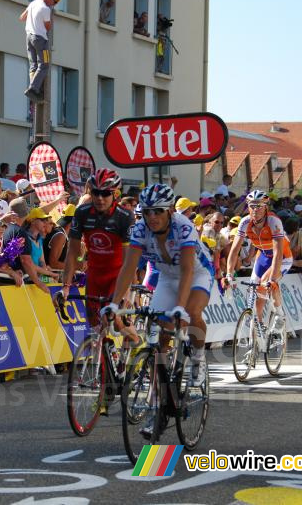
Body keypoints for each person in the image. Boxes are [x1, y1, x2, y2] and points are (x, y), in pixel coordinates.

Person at [102, 183, 215, 411]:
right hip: (166, 276)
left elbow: (187, 270)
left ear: (170, 210)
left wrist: (180, 307)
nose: (152, 217)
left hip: (196, 274)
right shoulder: (141, 229)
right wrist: (114, 303)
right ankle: (158, 393)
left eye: (158, 211)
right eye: (147, 212)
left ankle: (199, 357)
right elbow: (128, 267)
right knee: (161, 337)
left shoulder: (183, 227)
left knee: (191, 312)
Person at [60, 169, 138, 344]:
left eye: (105, 193)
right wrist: (65, 286)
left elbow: (128, 260)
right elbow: (72, 252)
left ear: (115, 194)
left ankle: (135, 340)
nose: (100, 198)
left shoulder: (125, 216)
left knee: (114, 320)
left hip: (117, 275)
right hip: (95, 275)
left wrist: (125, 293)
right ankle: (101, 370)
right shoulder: (82, 212)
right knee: (95, 327)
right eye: (96, 192)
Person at [224, 190, 293, 336]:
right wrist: (229, 274)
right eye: (252, 205)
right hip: (262, 257)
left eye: (259, 206)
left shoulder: (274, 222)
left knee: (266, 282)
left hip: (282, 257)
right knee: (254, 288)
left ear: (266, 207)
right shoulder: (244, 222)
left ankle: (280, 315)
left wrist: (272, 279)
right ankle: (258, 328)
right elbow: (234, 250)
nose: (255, 209)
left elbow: (278, 253)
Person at [19, 0, 61, 102]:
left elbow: (22, 17)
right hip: (40, 39)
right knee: (45, 64)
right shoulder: (45, 9)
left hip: (29, 37)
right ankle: (33, 89)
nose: (54, 5)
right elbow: (48, 27)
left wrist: (34, 20)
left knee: (33, 64)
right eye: (55, 2)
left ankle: (34, 87)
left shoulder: (33, 3)